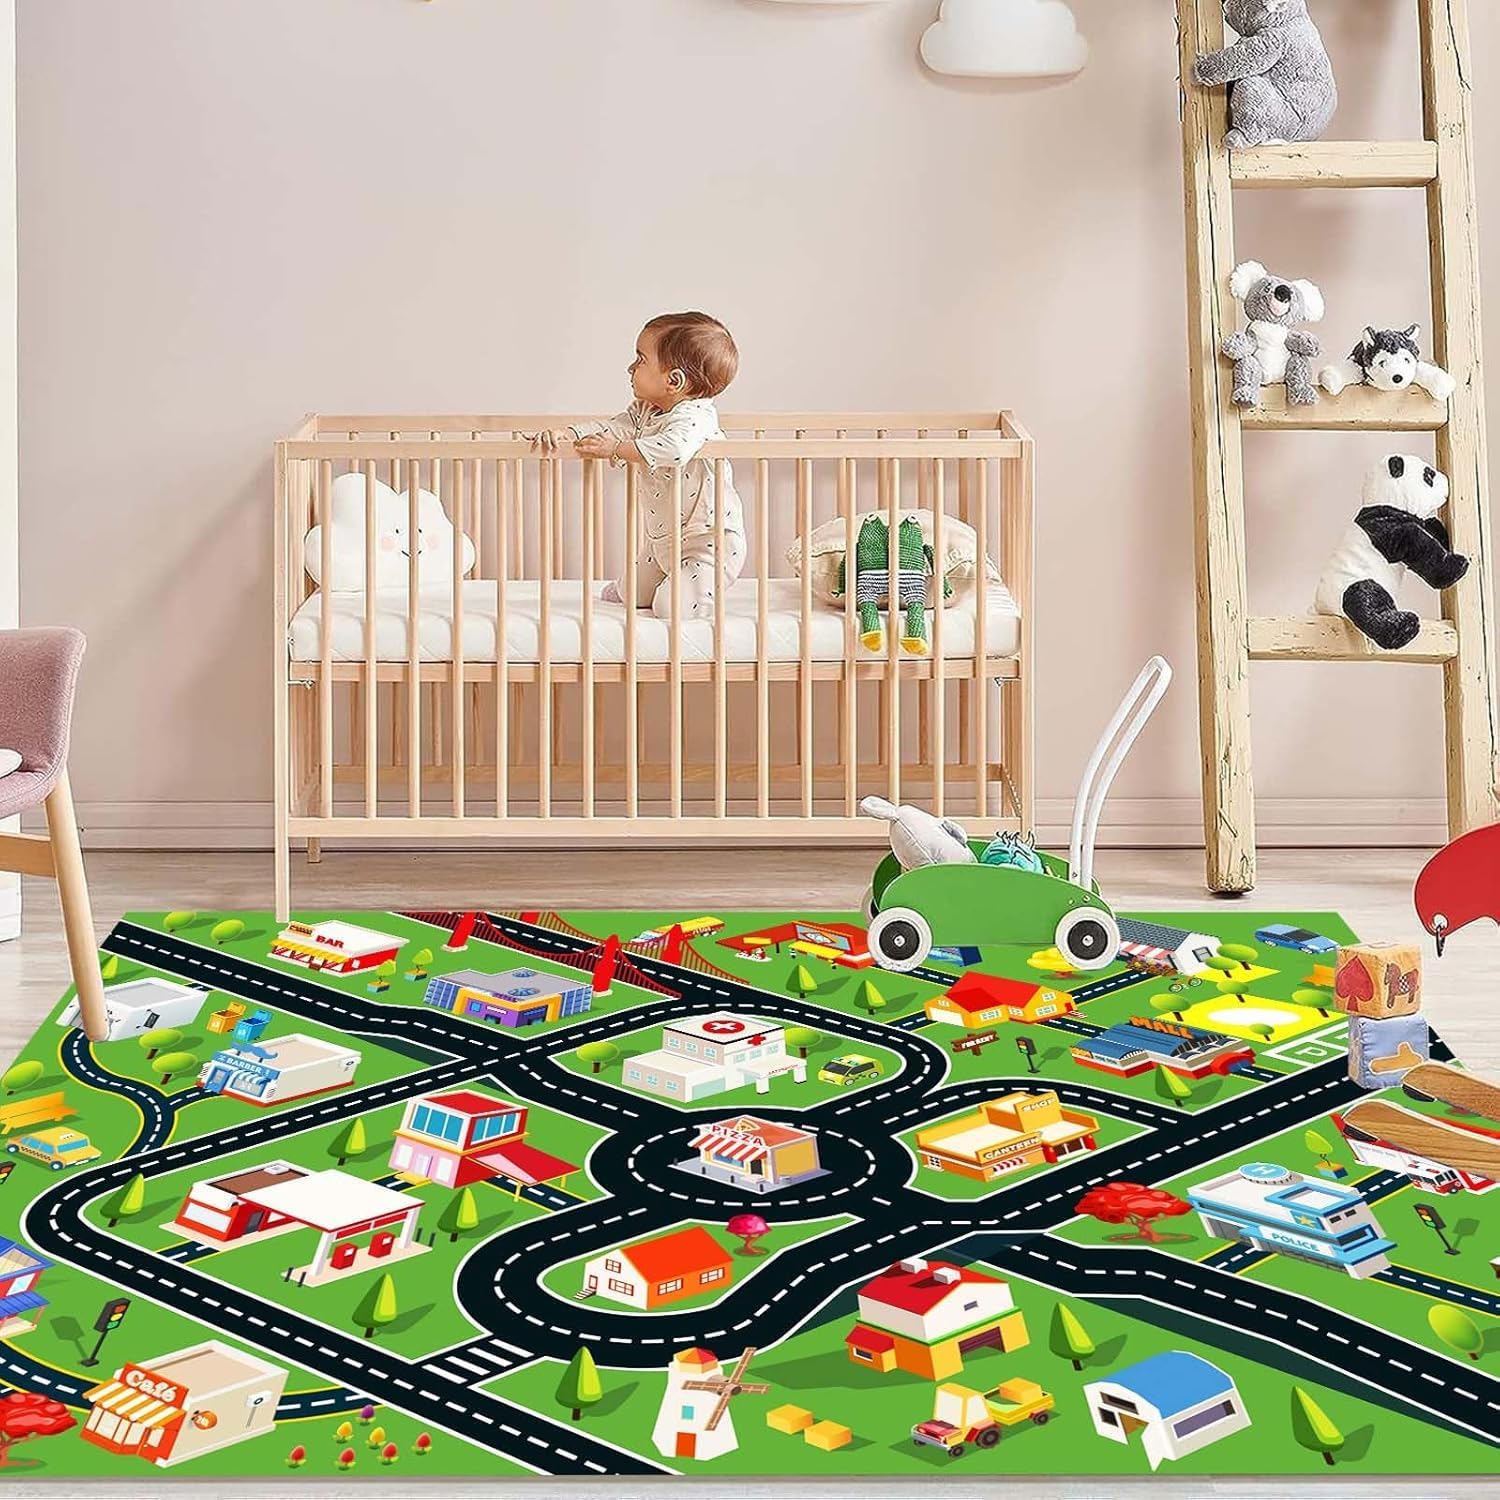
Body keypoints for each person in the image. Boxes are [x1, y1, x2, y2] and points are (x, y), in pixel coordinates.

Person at [533, 312, 745, 619]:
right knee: (631, 595)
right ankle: (651, 584)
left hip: (707, 544)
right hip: (663, 543)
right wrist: (568, 434)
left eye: (640, 359)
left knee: (668, 607)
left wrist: (616, 450)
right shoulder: (645, 411)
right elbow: (613, 426)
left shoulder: (695, 418)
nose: (630, 367)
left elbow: (675, 449)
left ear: (673, 381)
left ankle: (699, 594)